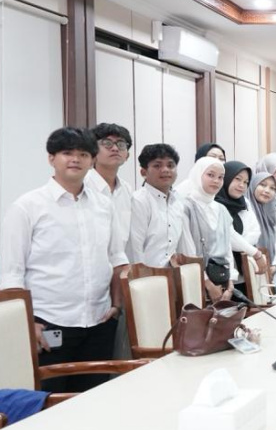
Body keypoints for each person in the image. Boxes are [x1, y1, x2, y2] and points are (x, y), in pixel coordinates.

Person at [0, 127, 128, 392]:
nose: (75, 159)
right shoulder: (28, 206)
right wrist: (27, 323)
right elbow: (11, 272)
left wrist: (116, 306)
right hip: (47, 324)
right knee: (48, 401)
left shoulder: (104, 206)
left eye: (83, 154)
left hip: (99, 322)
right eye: (67, 153)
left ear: (92, 160)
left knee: (93, 398)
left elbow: (117, 257)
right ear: (51, 158)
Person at [179, 157, 235, 303]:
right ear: (198, 175)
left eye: (220, 177)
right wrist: (208, 284)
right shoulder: (185, 206)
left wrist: (230, 282)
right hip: (194, 282)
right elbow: (188, 251)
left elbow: (227, 248)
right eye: (210, 175)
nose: (216, 181)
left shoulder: (221, 209)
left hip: (221, 279)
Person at [128, 143, 190, 267]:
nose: (165, 170)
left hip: (173, 275)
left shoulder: (178, 202)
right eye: (157, 165)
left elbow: (182, 248)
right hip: (145, 275)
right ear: (143, 172)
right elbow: (134, 249)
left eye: (170, 165)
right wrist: (142, 277)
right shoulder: (139, 201)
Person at [216, 161, 268, 285]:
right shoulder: (215, 204)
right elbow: (228, 236)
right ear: (226, 178)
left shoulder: (244, 202)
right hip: (222, 272)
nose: (241, 185)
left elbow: (255, 231)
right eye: (237, 179)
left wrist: (240, 244)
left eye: (246, 182)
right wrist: (251, 250)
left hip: (245, 269)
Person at [86, 122, 133, 257]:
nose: (115, 148)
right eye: (107, 143)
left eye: (121, 144)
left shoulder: (127, 190)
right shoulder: (82, 186)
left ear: (127, 155)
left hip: (120, 264)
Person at [245, 172, 276, 284]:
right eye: (263, 185)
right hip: (249, 274)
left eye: (272, 188)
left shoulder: (269, 215)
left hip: (267, 274)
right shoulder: (245, 212)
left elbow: (273, 243)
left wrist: (274, 265)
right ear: (253, 185)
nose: (267, 190)